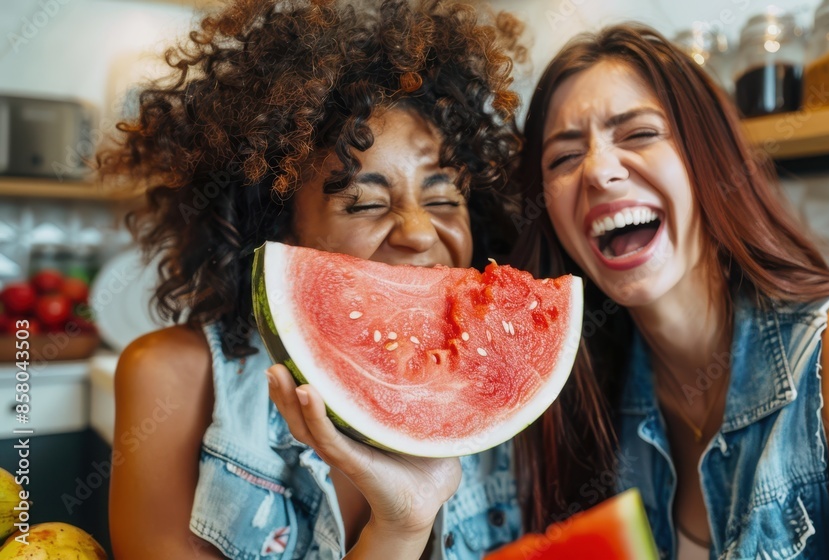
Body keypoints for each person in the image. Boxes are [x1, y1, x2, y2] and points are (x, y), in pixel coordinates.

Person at [508, 23, 829, 559]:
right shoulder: (591, 393)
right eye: (564, 158)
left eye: (638, 133)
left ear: (710, 156)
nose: (599, 171)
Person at [98, 0, 525, 558]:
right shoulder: (171, 378)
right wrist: (399, 529)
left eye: (444, 196)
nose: (420, 232)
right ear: (282, 234)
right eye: (366, 203)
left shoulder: (507, 390)